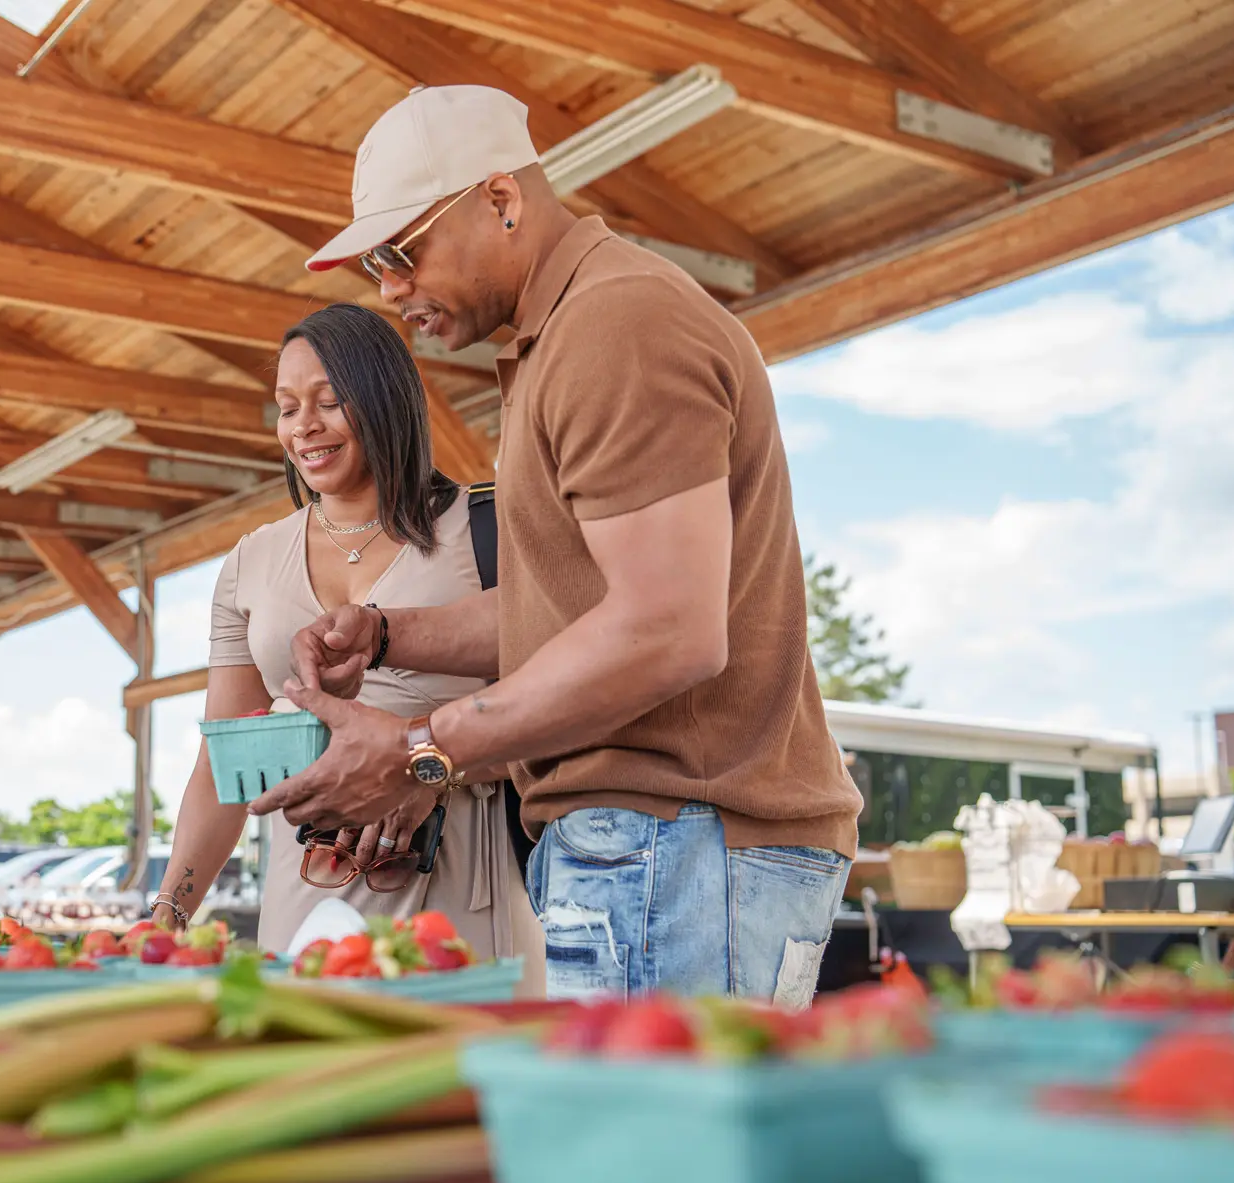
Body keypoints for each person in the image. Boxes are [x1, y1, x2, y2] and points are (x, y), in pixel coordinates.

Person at [251, 85, 863, 1007]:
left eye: (401, 251)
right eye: (376, 262)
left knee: (648, 1149)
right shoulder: (564, 337)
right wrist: (383, 636)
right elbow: (568, 611)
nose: (389, 289)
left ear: (501, 201)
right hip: (656, 843)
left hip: (683, 838)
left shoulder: (617, 322)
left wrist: (422, 747)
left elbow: (666, 629)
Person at [152, 302, 540, 968]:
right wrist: (168, 914)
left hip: (460, 900)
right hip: (306, 899)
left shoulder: (489, 529)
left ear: (387, 402)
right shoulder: (251, 562)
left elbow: (569, 708)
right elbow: (222, 767)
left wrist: (429, 770)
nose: (304, 427)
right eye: (287, 406)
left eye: (329, 402)